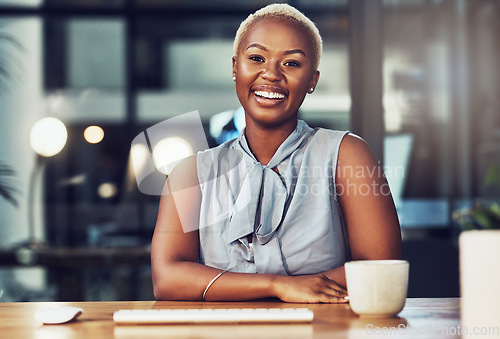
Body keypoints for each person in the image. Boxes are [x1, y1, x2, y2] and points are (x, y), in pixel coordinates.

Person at [151, 3, 401, 303]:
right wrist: (277, 286)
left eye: (292, 63)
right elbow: (167, 278)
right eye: (256, 58)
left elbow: (380, 268)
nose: (270, 74)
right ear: (235, 68)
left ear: (312, 81)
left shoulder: (346, 155)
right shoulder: (191, 173)